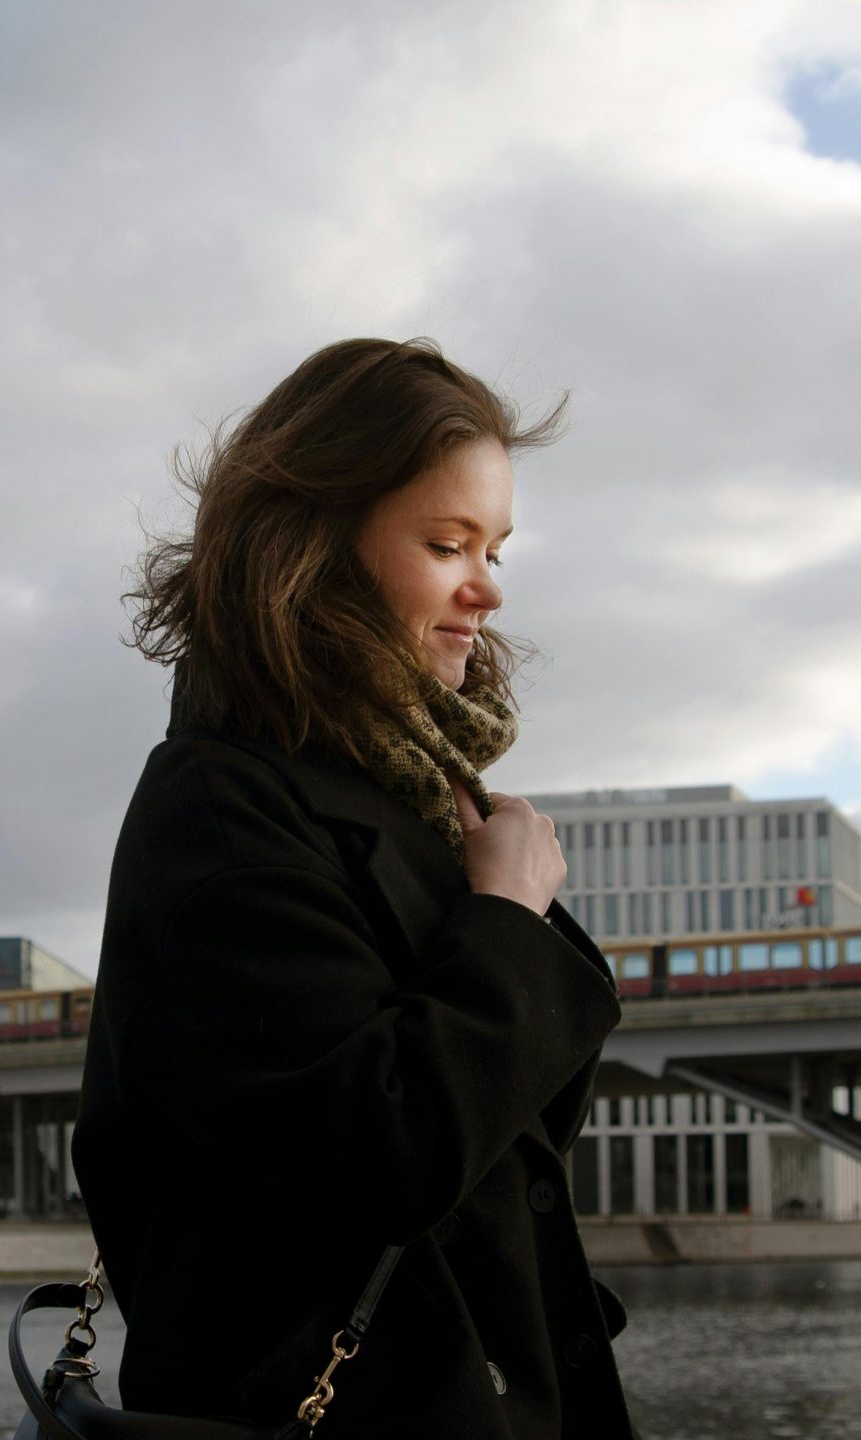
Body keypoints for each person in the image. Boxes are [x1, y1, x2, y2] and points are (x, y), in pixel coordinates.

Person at [72, 338, 635, 1438]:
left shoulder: (413, 796)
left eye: (496, 547)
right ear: (315, 548)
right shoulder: (220, 807)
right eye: (446, 543)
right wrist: (507, 920)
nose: (488, 586)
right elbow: (384, 1149)